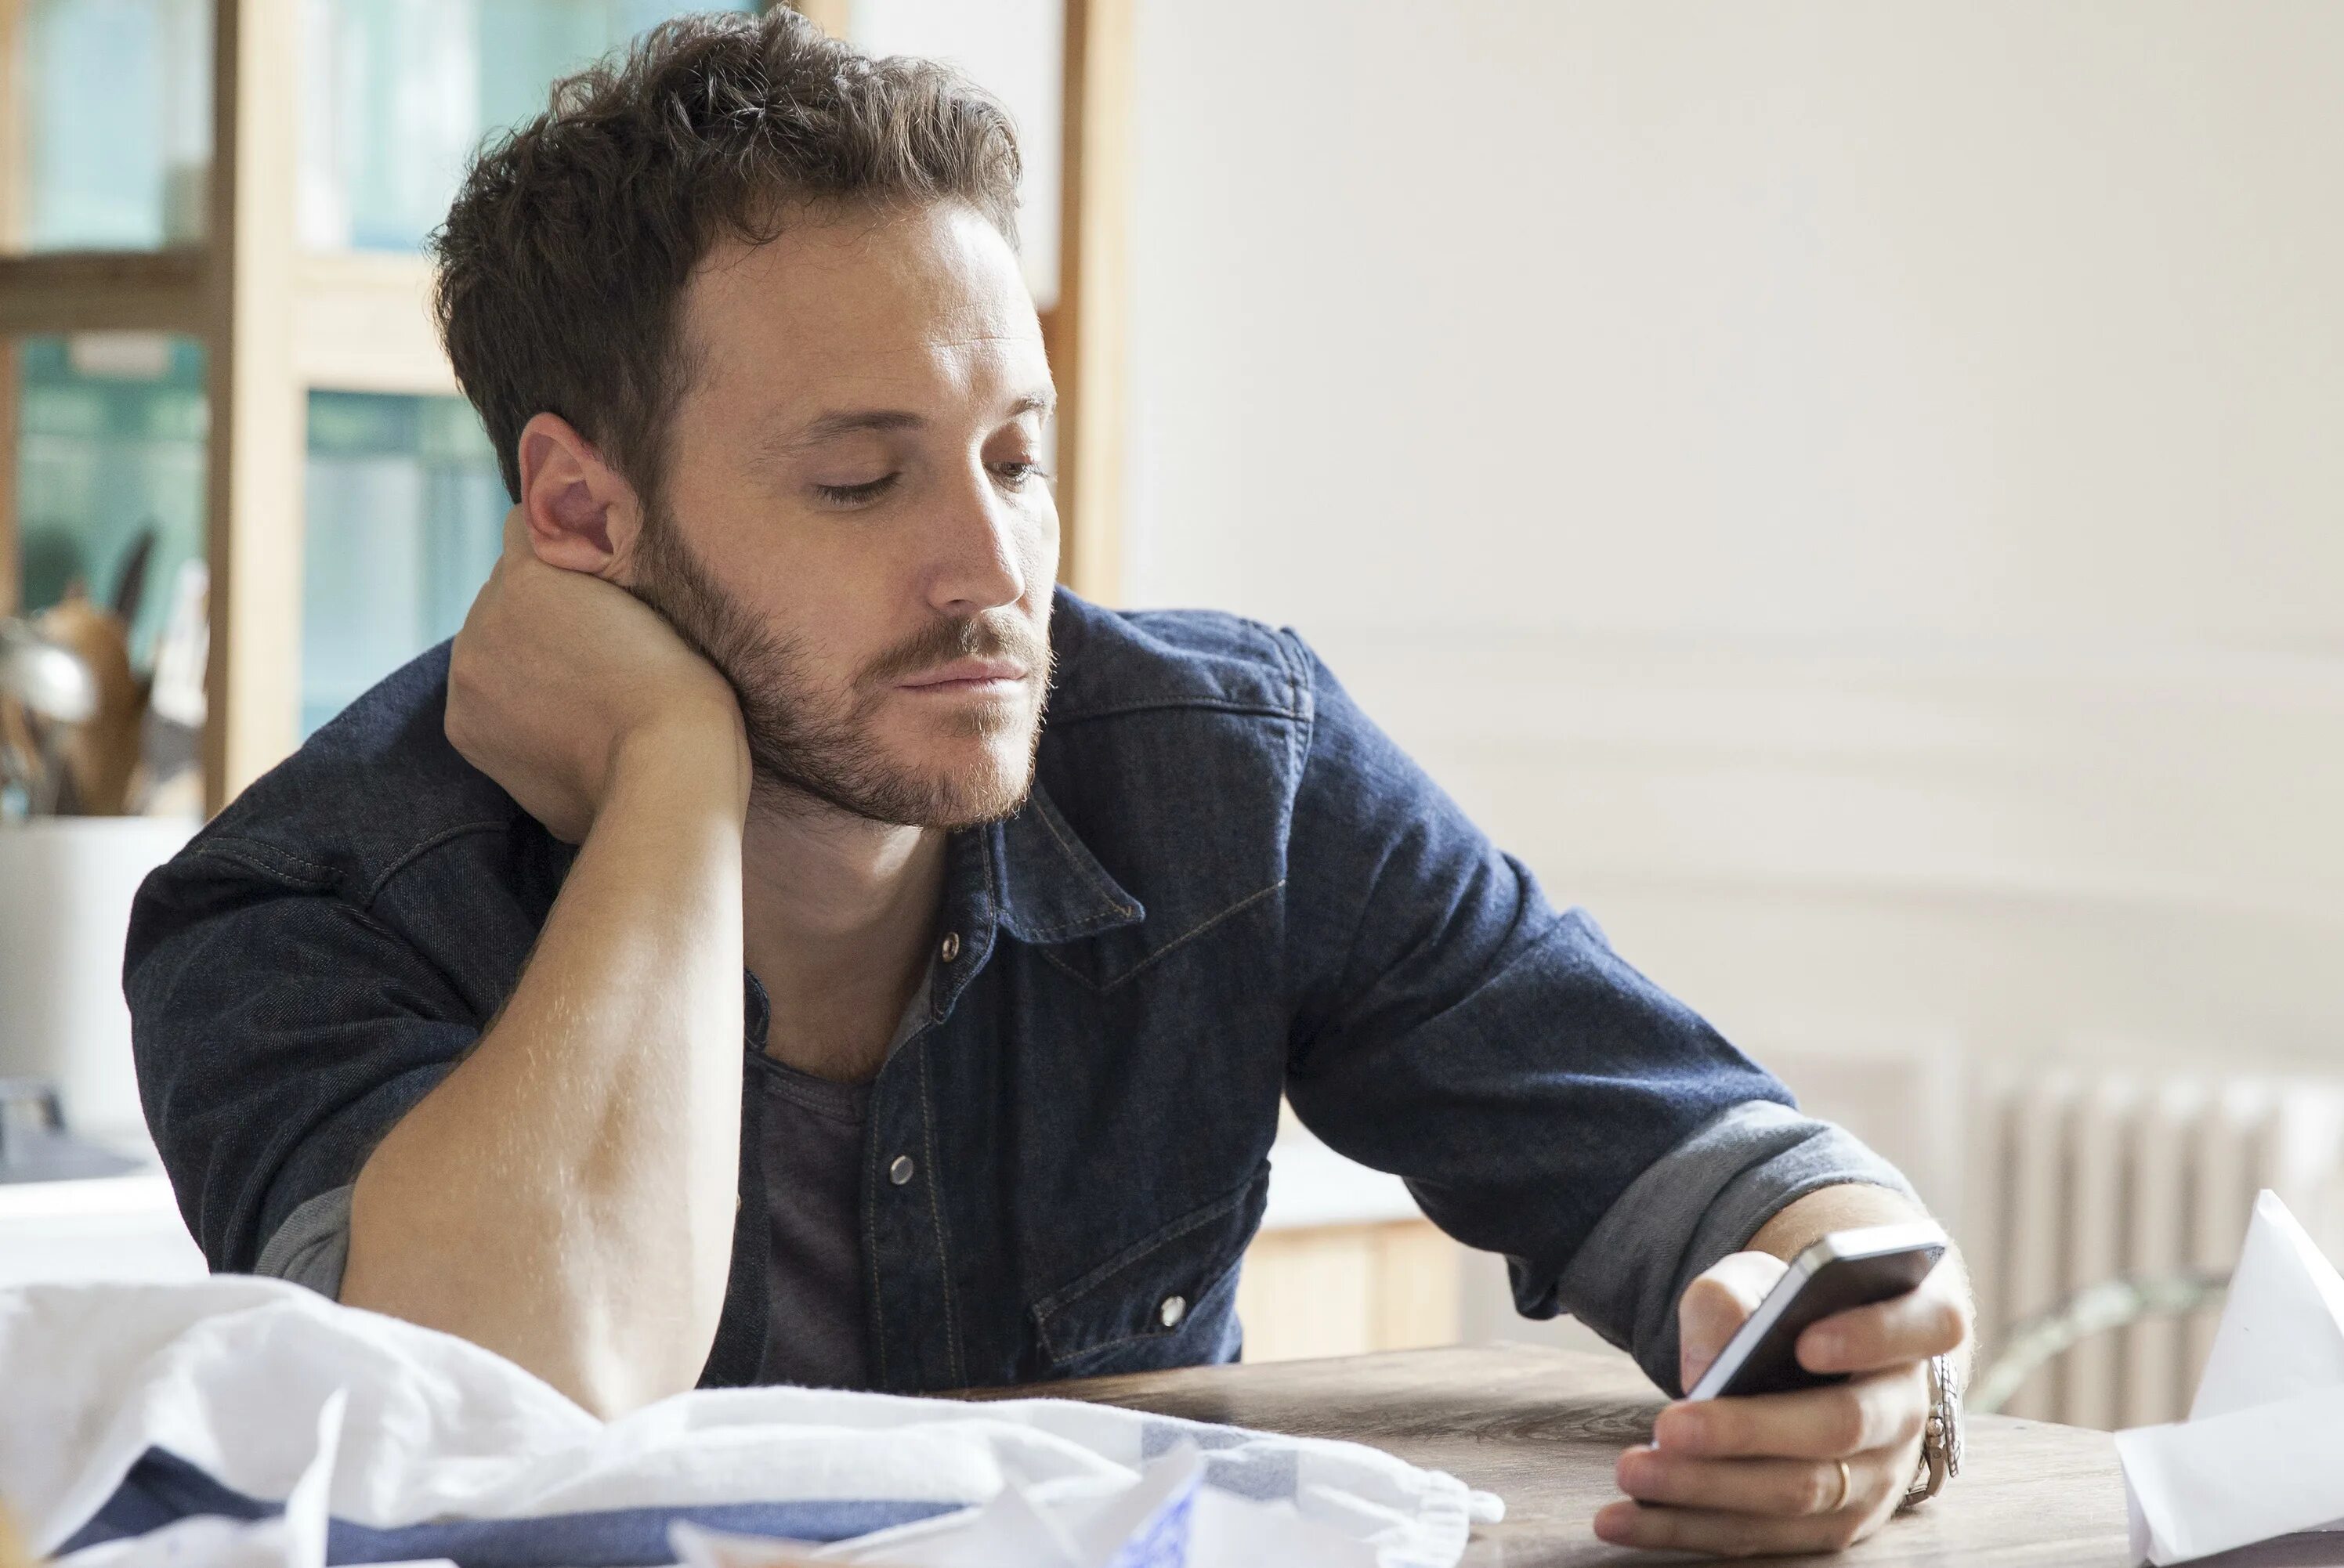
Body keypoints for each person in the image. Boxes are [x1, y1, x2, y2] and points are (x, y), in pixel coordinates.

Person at [125, 10, 1969, 1555]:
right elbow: (495, 1404)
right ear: (584, 514)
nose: (991, 565)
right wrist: (672, 771)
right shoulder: (293, 912)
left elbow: (1724, 1166)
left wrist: (1861, 1344)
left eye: (1015, 457)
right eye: (864, 480)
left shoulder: (1224, 766)